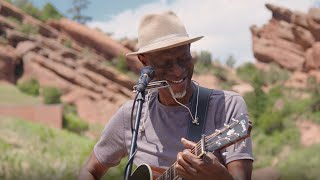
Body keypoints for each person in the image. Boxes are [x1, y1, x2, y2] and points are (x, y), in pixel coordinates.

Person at [78, 11, 254, 180]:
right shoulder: (132, 115)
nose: (178, 71)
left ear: (190, 50)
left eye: (184, 58)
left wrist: (220, 178)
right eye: (166, 63)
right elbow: (90, 170)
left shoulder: (227, 105)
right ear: (144, 61)